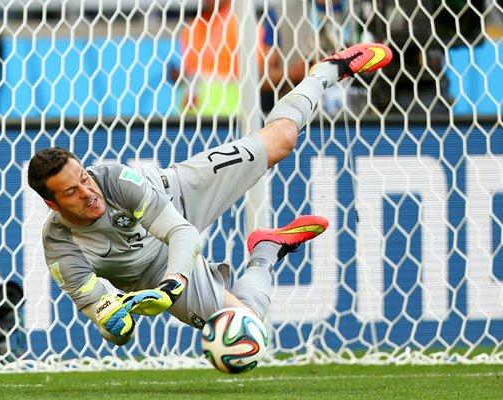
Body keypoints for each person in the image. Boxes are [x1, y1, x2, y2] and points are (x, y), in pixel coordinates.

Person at [27, 43, 393, 346]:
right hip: (149, 274)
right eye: (72, 193)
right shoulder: (60, 248)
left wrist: (174, 285)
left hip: (180, 193)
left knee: (282, 140)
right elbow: (107, 323)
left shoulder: (112, 178)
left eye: (84, 179)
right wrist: (119, 319)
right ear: (52, 204)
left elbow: (181, 232)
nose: (88, 193)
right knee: (244, 331)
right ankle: (266, 251)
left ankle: (329, 69)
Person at [171, 0, 306, 116]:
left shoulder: (245, 27)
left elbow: (258, 74)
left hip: (232, 118)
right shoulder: (191, 29)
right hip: (191, 117)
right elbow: (189, 73)